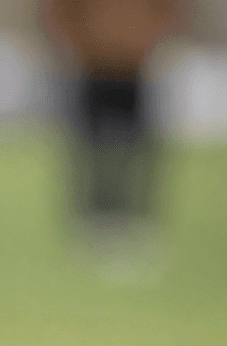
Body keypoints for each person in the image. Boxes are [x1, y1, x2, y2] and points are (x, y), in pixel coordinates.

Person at [41, 0, 185, 264]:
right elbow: (58, 12)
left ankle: (137, 220)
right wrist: (81, 46)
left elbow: (170, 12)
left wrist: (148, 42)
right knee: (91, 149)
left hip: (136, 65)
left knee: (139, 150)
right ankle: (92, 221)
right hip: (93, 66)